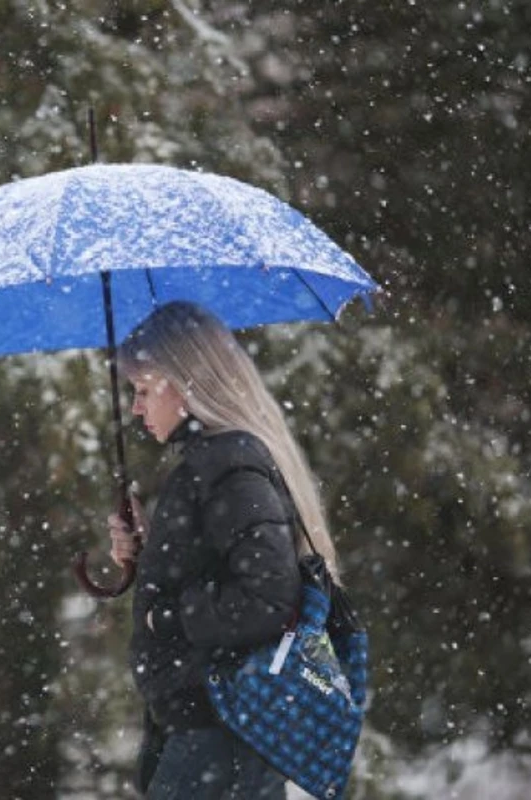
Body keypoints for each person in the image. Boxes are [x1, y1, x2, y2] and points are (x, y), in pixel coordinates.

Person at [107, 301, 341, 799]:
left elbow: (265, 600)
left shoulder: (227, 463)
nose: (136, 408)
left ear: (184, 382)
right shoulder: (211, 463)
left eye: (144, 390)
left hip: (218, 737)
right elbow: (218, 566)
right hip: (209, 732)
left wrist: (165, 616)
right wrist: (146, 554)